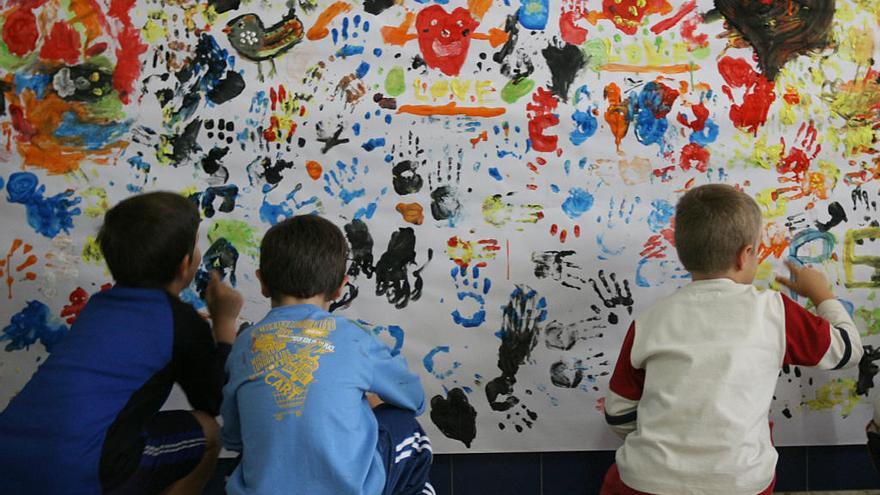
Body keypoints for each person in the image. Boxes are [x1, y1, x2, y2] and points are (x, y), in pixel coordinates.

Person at [602, 184, 863, 495]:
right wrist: (822, 294)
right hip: (739, 482)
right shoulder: (774, 311)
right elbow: (847, 350)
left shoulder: (649, 321)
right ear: (745, 256)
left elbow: (618, 413)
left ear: (683, 253)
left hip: (644, 481)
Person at [0, 191, 243, 495]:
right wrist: (224, 325)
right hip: (76, 473)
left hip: (9, 456)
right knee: (209, 433)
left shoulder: (99, 305)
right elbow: (214, 400)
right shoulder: (179, 322)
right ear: (185, 264)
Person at [221, 214, 433, 495]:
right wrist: (369, 401)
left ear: (262, 282)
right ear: (340, 287)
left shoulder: (246, 342)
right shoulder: (354, 339)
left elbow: (234, 438)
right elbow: (414, 399)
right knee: (407, 430)